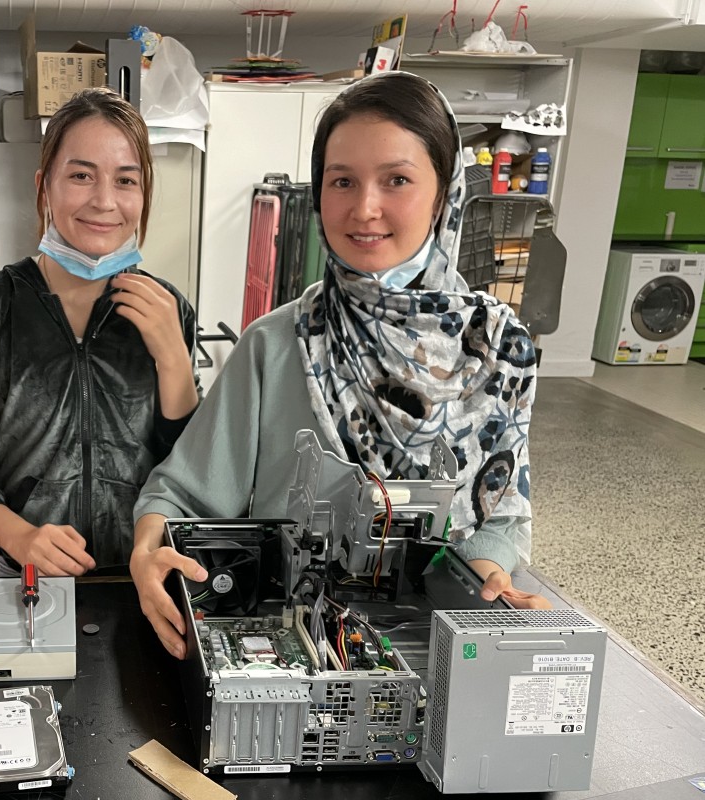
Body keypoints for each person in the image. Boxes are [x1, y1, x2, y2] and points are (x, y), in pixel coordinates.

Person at [130, 71, 546, 659]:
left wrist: (482, 583)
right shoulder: (278, 345)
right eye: (342, 181)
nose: (364, 209)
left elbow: (500, 518)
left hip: (438, 656)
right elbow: (179, 495)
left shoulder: (499, 350)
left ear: (444, 192)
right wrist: (149, 550)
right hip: (291, 654)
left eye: (396, 179)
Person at [0, 88, 200, 577]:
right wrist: (20, 537)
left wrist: (173, 358)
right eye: (82, 175)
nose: (104, 201)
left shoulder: (168, 309)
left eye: (126, 180)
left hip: (142, 574)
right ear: (45, 185)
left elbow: (191, 470)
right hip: (23, 573)